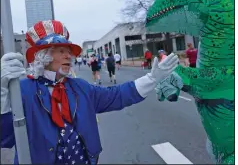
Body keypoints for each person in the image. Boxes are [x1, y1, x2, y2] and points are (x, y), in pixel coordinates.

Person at [1, 20, 178, 165]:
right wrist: (2, 95)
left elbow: (116, 95)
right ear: (43, 56)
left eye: (69, 52)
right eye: (61, 51)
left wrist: (152, 78)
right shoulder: (22, 89)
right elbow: (5, 137)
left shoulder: (80, 86)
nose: (68, 56)